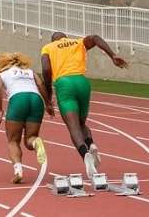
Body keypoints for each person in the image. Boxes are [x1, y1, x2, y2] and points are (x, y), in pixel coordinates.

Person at [41, 32, 128, 178]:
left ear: (53, 40)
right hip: (82, 82)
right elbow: (95, 38)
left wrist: (48, 97)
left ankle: (85, 155)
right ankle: (91, 144)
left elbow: (45, 69)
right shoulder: (77, 42)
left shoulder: (48, 48)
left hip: (64, 84)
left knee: (73, 126)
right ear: (66, 38)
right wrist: (112, 55)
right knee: (82, 123)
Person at [0, 52, 53, 183]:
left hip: (18, 99)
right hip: (36, 99)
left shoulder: (2, 74)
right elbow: (41, 84)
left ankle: (18, 171)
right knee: (30, 139)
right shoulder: (29, 71)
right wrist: (48, 103)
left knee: (13, 140)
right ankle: (36, 142)